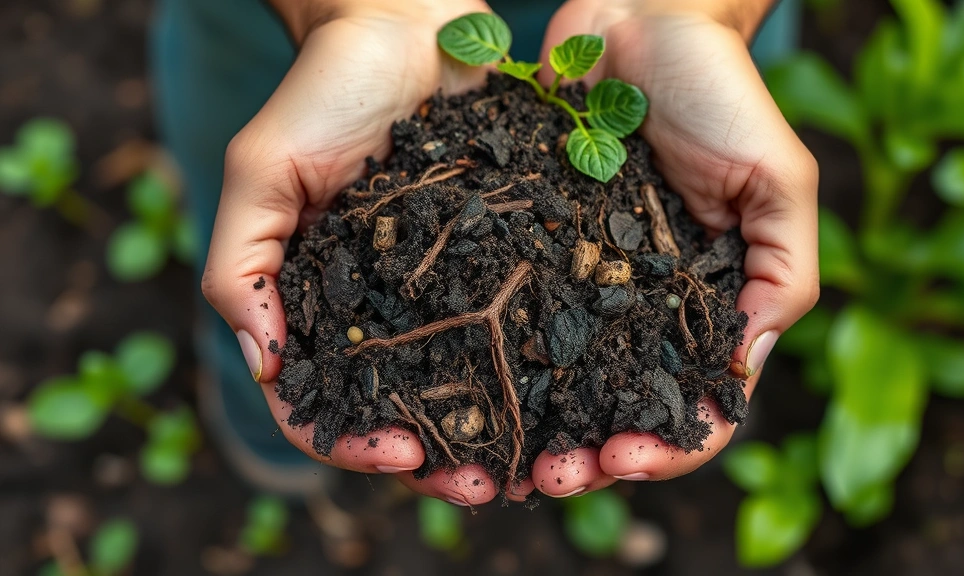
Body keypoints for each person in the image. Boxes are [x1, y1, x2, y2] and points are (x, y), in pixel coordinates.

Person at [152, 0, 817, 505]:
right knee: (267, 272)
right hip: (291, 35)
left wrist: (697, 15)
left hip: (666, 33)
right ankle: (259, 432)